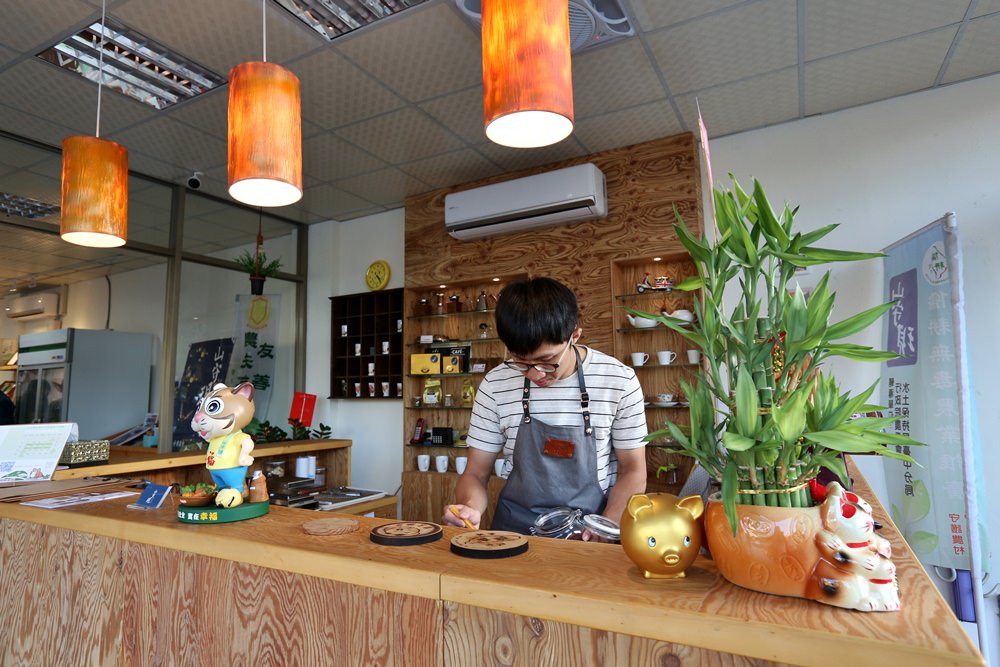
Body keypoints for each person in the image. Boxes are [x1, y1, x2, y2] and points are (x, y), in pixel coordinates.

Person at [442, 277, 647, 539]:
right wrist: (470, 508)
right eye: (520, 362)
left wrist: (607, 524)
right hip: (515, 534)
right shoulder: (495, 384)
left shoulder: (618, 380)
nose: (535, 374)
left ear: (574, 335)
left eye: (547, 361)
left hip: (591, 534)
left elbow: (634, 470)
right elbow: (476, 472)